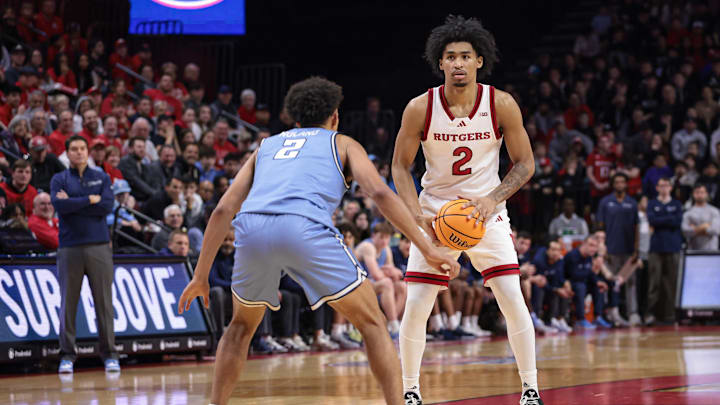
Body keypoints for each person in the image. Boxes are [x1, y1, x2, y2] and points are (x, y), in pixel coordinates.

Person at [177, 77, 458, 405]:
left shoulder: (266, 147)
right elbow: (380, 192)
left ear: (294, 119)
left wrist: (199, 276)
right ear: (335, 116)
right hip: (304, 226)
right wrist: (427, 246)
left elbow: (224, 208)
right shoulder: (342, 143)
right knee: (372, 322)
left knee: (239, 327)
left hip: (252, 229)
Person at [390, 16, 541, 405]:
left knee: (511, 294)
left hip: (485, 213)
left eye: (465, 56)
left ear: (479, 61)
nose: (457, 63)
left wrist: (492, 199)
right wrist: (414, 214)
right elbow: (398, 167)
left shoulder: (501, 103)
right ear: (439, 63)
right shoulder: (419, 107)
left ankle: (530, 390)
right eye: (450, 57)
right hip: (437, 214)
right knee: (419, 303)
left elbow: (525, 164)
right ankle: (410, 391)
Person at [50, 135, 119, 374]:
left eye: (82, 148)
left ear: (87, 152)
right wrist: (88, 200)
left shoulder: (101, 176)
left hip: (99, 246)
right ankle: (67, 355)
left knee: (104, 303)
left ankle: (110, 354)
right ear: (67, 153)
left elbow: (107, 206)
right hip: (69, 248)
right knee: (68, 304)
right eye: (74, 149)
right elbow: (60, 207)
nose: (79, 152)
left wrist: (74, 203)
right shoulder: (59, 178)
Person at [597, 173, 640, 326]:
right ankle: (612, 313)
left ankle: (633, 313)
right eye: (617, 182)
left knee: (631, 283)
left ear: (626, 184)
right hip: (611, 249)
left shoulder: (632, 203)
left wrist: (636, 250)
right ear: (613, 184)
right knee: (612, 282)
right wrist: (603, 248)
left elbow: (637, 228)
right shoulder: (605, 202)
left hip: (629, 250)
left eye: (622, 182)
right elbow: (600, 227)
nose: (620, 184)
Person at [355, 222, 407, 337]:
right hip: (356, 284)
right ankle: (393, 326)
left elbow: (396, 275)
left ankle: (391, 324)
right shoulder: (368, 247)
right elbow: (376, 275)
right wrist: (388, 272)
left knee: (402, 286)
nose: (384, 241)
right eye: (381, 237)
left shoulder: (386, 249)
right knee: (386, 283)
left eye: (387, 238)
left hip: (371, 284)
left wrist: (390, 272)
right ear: (374, 236)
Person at [646, 178, 683, 326]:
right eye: (661, 185)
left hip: (673, 247)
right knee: (654, 282)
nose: (664, 188)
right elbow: (652, 221)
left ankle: (670, 314)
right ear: (656, 188)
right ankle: (651, 314)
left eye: (666, 185)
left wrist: (661, 219)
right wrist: (668, 219)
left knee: (671, 282)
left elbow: (677, 222)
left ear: (671, 188)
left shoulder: (676, 204)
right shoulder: (652, 203)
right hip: (656, 248)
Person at [682, 184, 720, 250]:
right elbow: (685, 231)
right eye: (697, 192)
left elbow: (716, 230)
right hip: (693, 250)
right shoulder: (688, 212)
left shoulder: (714, 211)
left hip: (711, 249)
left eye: (702, 192)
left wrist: (695, 229)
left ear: (706, 194)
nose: (699, 195)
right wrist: (706, 226)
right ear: (693, 194)